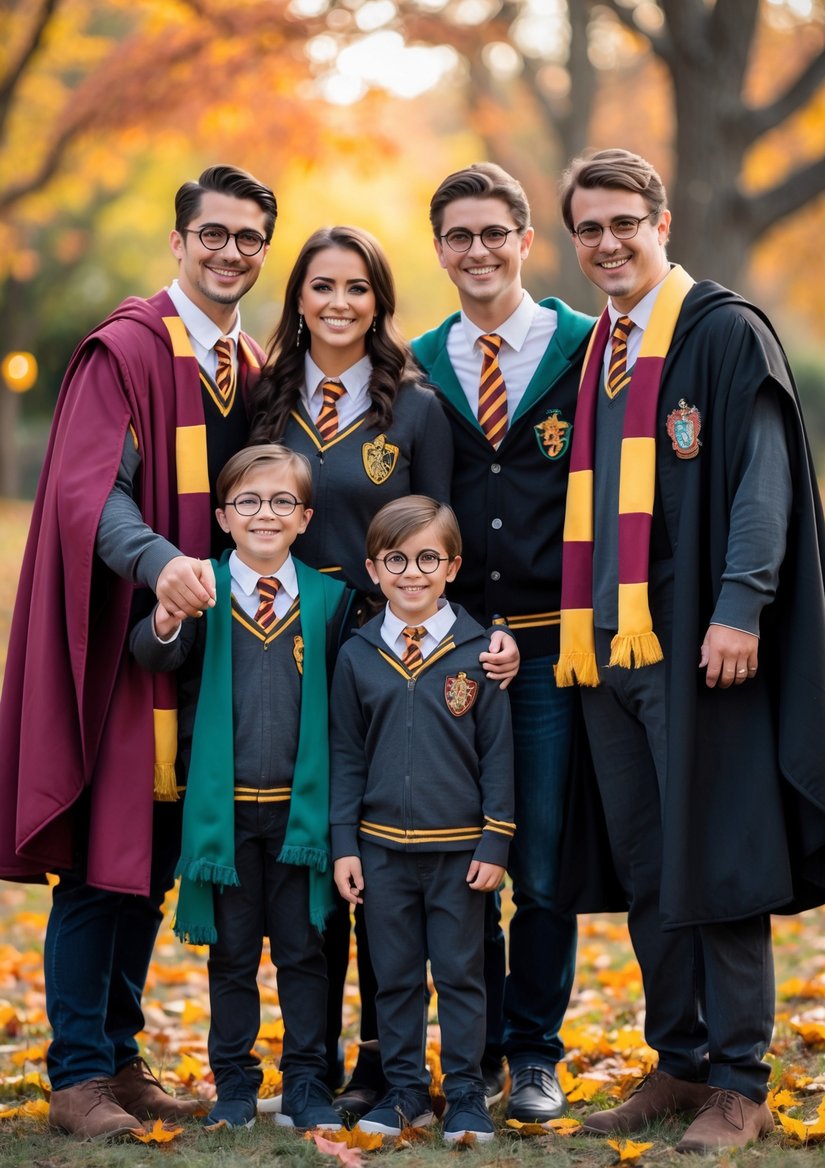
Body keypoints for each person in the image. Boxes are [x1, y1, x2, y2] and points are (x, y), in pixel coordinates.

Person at [556, 147, 825, 1154]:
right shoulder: (601, 351)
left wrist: (740, 607)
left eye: (625, 220)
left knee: (716, 855)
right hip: (609, 653)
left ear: (661, 220)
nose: (608, 241)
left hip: (699, 646)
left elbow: (765, 483)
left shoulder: (719, 333)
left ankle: (739, 1080)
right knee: (650, 862)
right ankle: (675, 1060)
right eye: (589, 226)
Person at [0, 165, 277, 1139]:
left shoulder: (249, 368)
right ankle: (74, 1074)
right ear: (179, 239)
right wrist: (161, 564)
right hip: (120, 649)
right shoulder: (125, 350)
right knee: (100, 856)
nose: (231, 250)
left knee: (155, 856)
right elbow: (88, 493)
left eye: (249, 237)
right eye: (214, 233)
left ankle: (119, 1056)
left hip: (208, 663)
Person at [248, 225, 518, 1116]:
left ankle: (393, 1066)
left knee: (403, 857)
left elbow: (447, 541)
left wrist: (484, 637)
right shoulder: (264, 398)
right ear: (296, 297)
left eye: (357, 288)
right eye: (321, 286)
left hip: (386, 652)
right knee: (323, 856)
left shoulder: (416, 406)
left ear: (380, 300)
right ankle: (313, 1064)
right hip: (283, 652)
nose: (338, 303)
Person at [411, 163, 594, 1120]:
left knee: (544, 858)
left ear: (527, 242)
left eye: (493, 234)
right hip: (447, 654)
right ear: (438, 250)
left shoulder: (581, 347)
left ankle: (532, 1053)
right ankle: (471, 1052)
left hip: (546, 652)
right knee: (456, 855)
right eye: (457, 237)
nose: (476, 252)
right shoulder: (418, 363)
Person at [131, 444, 348, 1132]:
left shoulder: (331, 601)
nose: (264, 513)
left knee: (304, 955)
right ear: (223, 516)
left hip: (300, 822)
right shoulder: (202, 593)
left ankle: (308, 1081)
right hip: (222, 818)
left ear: (305, 516)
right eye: (248, 502)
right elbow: (152, 650)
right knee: (230, 958)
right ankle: (234, 1085)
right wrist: (167, 616)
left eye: (281, 501)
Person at [330, 495, 514, 1142]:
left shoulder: (478, 654)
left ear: (452, 565)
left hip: (459, 854)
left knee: (461, 975)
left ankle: (464, 1093)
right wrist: (342, 844)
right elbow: (346, 757)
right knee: (397, 977)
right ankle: (406, 1091)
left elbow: (497, 755)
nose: (412, 573)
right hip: (379, 853)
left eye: (427, 558)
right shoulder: (356, 655)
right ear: (373, 569)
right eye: (396, 560)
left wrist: (495, 839)